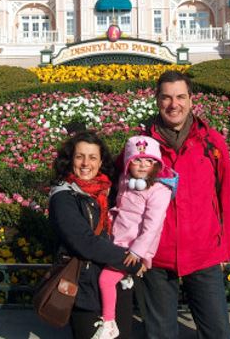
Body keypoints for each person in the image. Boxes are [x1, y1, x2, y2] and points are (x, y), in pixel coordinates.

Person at [135, 70, 230, 339]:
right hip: (158, 255)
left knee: (218, 332)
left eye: (180, 96)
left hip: (204, 252)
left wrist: (225, 248)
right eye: (167, 97)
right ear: (157, 100)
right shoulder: (141, 146)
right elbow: (129, 199)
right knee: (160, 334)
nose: (174, 104)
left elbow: (226, 196)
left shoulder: (212, 142)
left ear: (191, 100)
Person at [48, 130, 143, 339]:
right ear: (70, 160)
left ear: (100, 162)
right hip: (85, 288)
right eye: (79, 156)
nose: (85, 163)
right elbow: (85, 242)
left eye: (92, 157)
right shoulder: (63, 197)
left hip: (116, 282)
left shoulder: (106, 191)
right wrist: (131, 260)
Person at [93, 136, 173, 339]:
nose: (143, 165)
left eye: (149, 161)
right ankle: (126, 278)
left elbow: (152, 225)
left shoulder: (159, 190)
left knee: (104, 280)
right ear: (129, 162)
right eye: (137, 160)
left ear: (156, 164)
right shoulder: (125, 181)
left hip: (132, 250)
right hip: (119, 241)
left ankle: (109, 322)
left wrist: (138, 252)